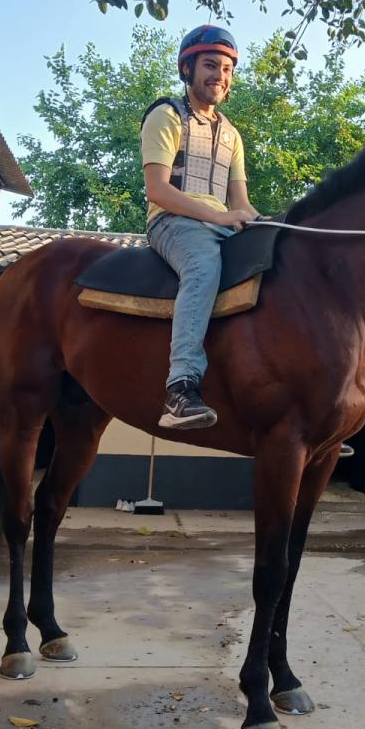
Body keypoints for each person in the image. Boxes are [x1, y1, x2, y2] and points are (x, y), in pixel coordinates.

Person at [141, 25, 261, 429]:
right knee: (203, 267)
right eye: (211, 65)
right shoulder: (166, 115)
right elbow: (157, 190)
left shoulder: (232, 134)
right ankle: (180, 387)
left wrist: (264, 225)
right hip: (172, 223)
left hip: (219, 224)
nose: (220, 76)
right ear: (187, 68)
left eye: (227, 68)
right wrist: (220, 216)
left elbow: (240, 203)